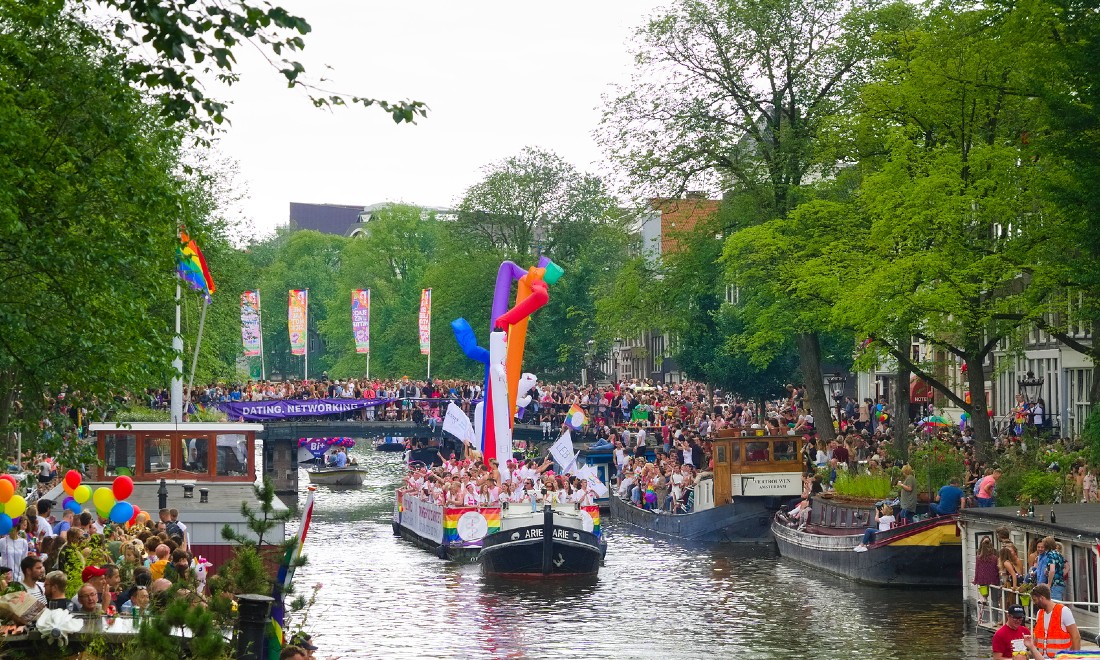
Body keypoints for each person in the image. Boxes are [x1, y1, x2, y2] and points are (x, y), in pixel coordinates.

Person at [1032, 583, 1081, 656]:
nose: (1034, 603)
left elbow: (1076, 637)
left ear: (1042, 598)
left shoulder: (1063, 611)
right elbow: (1037, 638)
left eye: (1035, 600)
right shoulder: (1040, 613)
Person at [1038, 537, 1067, 601]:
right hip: (1060, 583)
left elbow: (1052, 570)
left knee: (1054, 606)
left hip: (1054, 585)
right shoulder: (1059, 554)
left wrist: (1049, 584)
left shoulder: (1050, 555)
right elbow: (1066, 567)